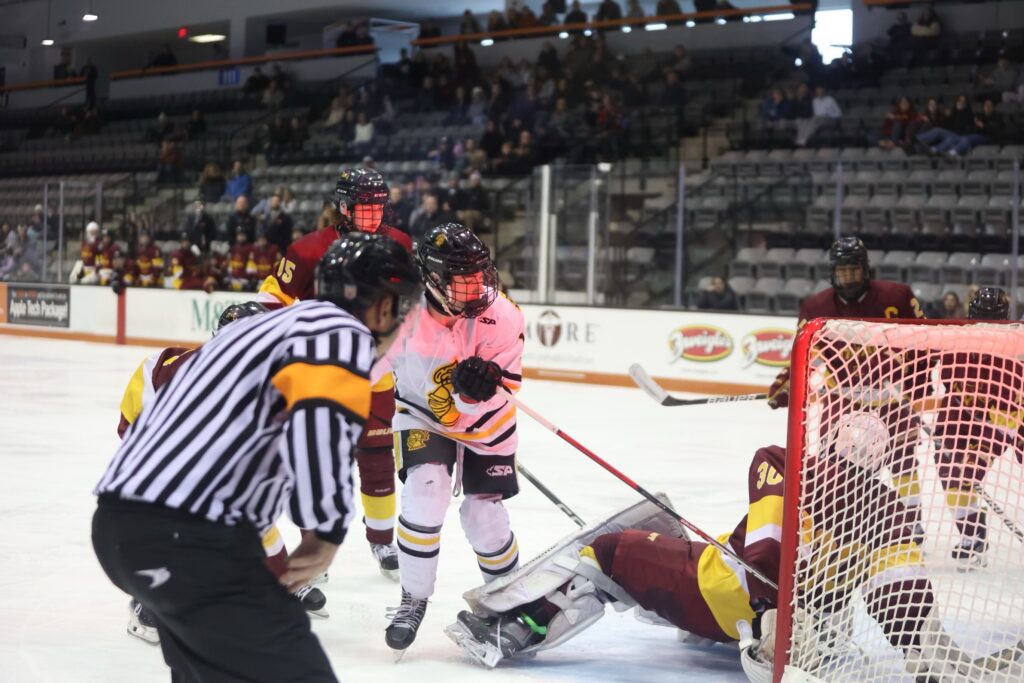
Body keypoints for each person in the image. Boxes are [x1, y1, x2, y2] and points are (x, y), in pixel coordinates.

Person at [93, 235, 421, 681]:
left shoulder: (260, 328)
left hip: (121, 527)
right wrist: (323, 532)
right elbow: (317, 427)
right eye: (404, 308)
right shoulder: (344, 335)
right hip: (188, 539)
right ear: (382, 306)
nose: (406, 323)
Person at [447, 418, 952, 681]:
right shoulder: (895, 513)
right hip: (796, 632)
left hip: (727, 600)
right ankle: (710, 635)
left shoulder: (788, 462)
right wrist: (919, 651)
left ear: (831, 441)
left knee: (610, 550)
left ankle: (512, 629)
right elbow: (899, 594)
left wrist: (763, 598)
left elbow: (767, 538)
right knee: (670, 544)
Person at [258, 168, 412, 579]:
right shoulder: (308, 250)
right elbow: (272, 300)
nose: (371, 214)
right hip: (319, 374)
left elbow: (417, 299)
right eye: (363, 206)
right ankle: (313, 549)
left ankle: (382, 541)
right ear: (342, 207)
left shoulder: (398, 243)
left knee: (378, 457)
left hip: (375, 371)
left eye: (377, 206)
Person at [382, 223, 524, 654]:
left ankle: (508, 601)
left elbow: (503, 391)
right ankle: (413, 596)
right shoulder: (398, 311)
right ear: (433, 280)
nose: (477, 287)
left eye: (480, 275)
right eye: (463, 280)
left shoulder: (504, 316)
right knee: (426, 494)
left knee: (485, 520)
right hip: (422, 416)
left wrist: (472, 394)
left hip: (489, 424)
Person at [768, 237, 927, 536]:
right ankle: (836, 517)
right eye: (842, 272)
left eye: (854, 270)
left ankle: (911, 521)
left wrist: (917, 388)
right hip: (843, 398)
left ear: (865, 270)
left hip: (891, 398)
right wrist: (787, 385)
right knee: (833, 462)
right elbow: (805, 354)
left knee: (903, 460)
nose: (849, 277)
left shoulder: (898, 296)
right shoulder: (815, 307)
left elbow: (924, 343)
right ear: (832, 273)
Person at [931, 286, 1023, 567]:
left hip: (1013, 418)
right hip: (968, 417)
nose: (985, 327)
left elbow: (1012, 405)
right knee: (952, 473)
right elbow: (926, 367)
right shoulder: (955, 339)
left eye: (992, 320)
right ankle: (973, 536)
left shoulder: (1017, 344)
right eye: (980, 318)